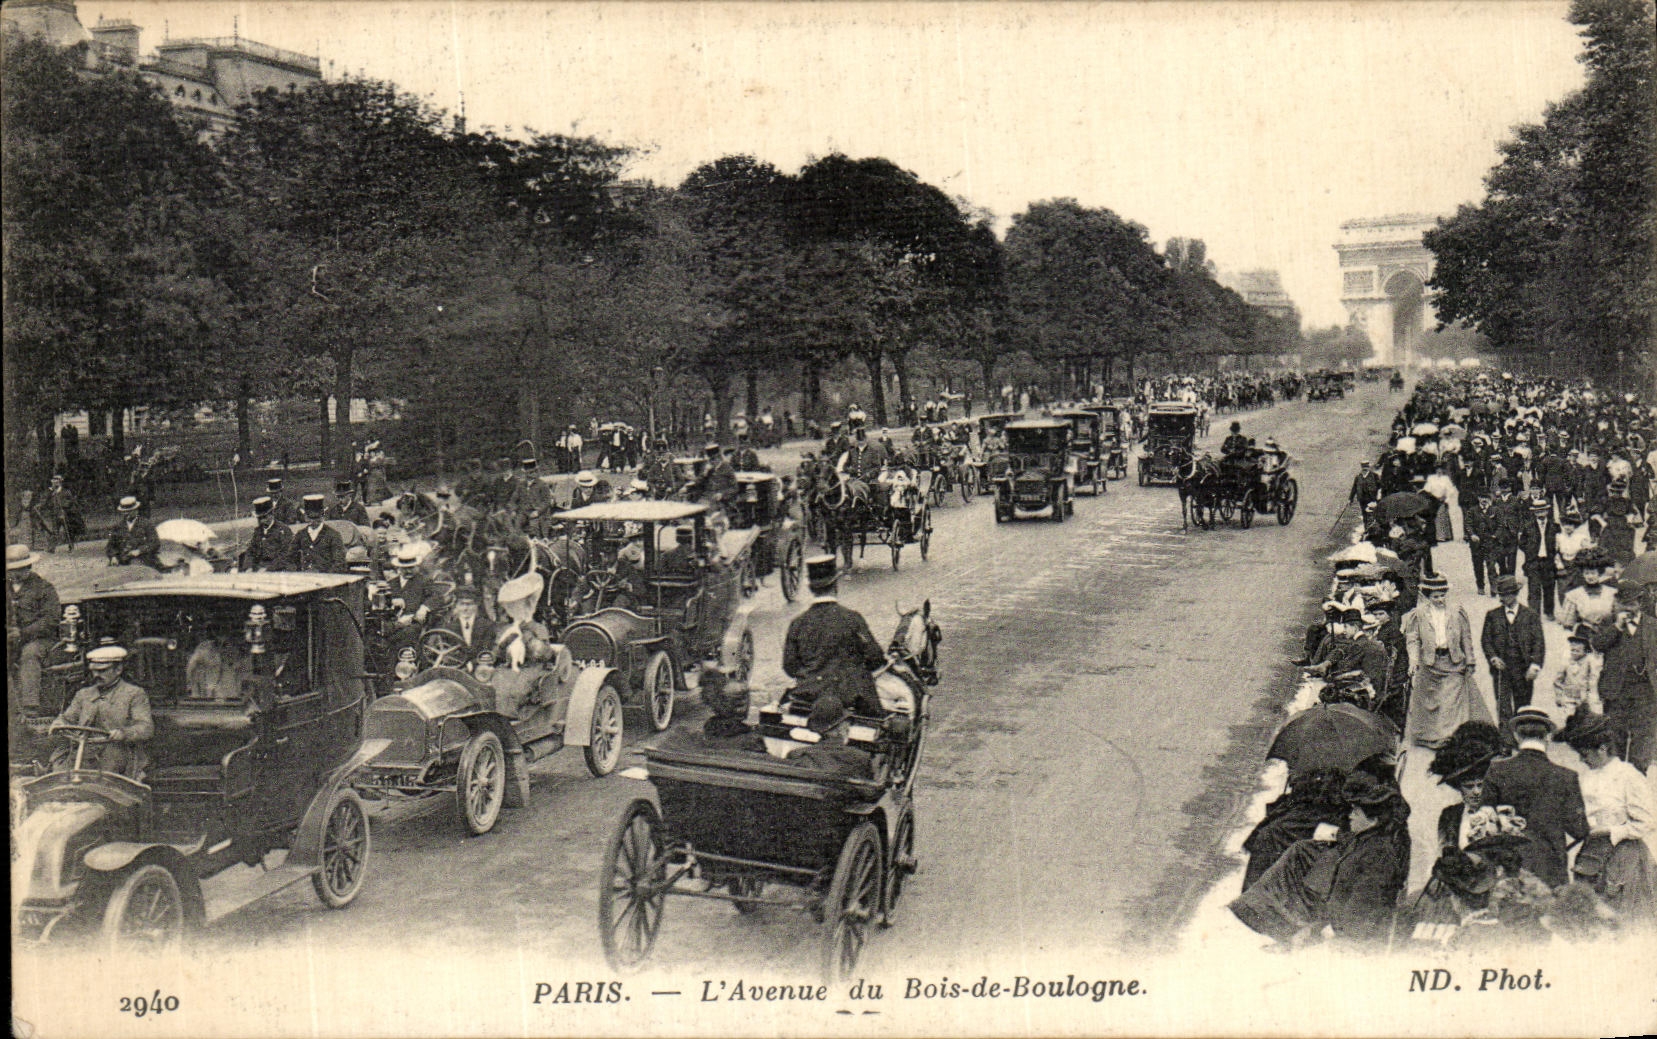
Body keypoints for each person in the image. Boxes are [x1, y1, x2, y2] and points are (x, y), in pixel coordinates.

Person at [1228, 771, 1412, 947]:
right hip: (1338, 905)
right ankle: (1267, 915)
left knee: (1305, 870)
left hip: (1348, 929)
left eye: (1356, 812)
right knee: (1300, 853)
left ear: (1373, 820)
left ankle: (1282, 927)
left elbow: (1359, 909)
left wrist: (1322, 930)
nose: (1350, 816)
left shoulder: (1380, 854)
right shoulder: (1372, 837)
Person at [1557, 712, 1656, 924]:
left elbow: (1647, 821)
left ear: (1602, 749)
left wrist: (1611, 831)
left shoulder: (1628, 775)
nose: (1582, 760)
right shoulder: (1585, 777)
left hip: (1624, 857)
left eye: (1585, 754)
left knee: (1624, 919)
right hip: (1591, 854)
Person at [1481, 706, 1589, 889]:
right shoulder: (1566, 776)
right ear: (1547, 737)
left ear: (1516, 736)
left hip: (1507, 868)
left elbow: (1484, 821)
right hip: (1550, 869)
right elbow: (1579, 830)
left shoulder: (1496, 770)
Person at [782, 555, 886, 718]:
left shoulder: (798, 623)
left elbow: (790, 667)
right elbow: (876, 658)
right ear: (836, 585)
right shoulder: (852, 618)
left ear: (810, 588)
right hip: (853, 698)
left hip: (808, 698)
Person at [1402, 572, 1493, 748]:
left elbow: (1466, 637)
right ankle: (1431, 737)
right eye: (1435, 596)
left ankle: (1450, 738)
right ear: (1427, 596)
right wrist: (1413, 660)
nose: (1440, 599)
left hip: (1453, 661)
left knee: (1451, 702)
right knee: (1432, 702)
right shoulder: (1418, 614)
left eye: (1442, 595)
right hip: (1430, 663)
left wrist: (1470, 659)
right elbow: (1413, 639)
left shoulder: (1456, 611)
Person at [51, 644, 152, 779]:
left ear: (118, 669)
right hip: (83, 749)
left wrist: (123, 733)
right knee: (58, 774)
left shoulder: (134, 694)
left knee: (107, 777)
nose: (96, 675)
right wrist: (58, 724)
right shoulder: (83, 694)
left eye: (103, 670)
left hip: (117, 751)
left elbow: (145, 727)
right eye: (94, 671)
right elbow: (68, 718)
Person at [1597, 586, 1655, 771]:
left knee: (1643, 740)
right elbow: (1597, 644)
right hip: (1616, 690)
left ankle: (1638, 779)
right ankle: (1616, 781)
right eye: (1623, 604)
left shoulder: (1653, 625)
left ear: (1639, 603)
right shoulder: (1609, 622)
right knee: (1615, 739)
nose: (1627, 608)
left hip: (1645, 690)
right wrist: (1617, 627)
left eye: (1631, 603)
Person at [1480, 574, 1545, 726]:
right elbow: (1486, 640)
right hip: (1502, 668)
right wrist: (1493, 658)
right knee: (1503, 705)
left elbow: (1539, 643)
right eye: (1501, 595)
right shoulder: (1492, 615)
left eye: (1507, 595)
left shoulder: (1531, 616)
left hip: (1524, 668)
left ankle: (1521, 735)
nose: (1503, 599)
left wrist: (1535, 666)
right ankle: (1506, 743)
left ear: (1515, 594)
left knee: (1523, 706)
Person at [7, 544, 60, 714]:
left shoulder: (44, 588)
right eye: (11, 570)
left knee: (30, 654)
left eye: (19, 569)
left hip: (39, 640)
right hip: (11, 637)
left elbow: (51, 620)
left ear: (28, 567)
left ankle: (30, 705)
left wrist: (23, 633)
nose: (14, 574)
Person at [1517, 498, 1560, 620]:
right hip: (1533, 561)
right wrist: (1530, 551)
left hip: (1549, 561)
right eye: (1537, 511)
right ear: (1534, 513)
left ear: (1547, 512)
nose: (1540, 513)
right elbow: (1522, 543)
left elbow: (1559, 542)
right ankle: (1534, 614)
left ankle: (1549, 612)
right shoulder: (1528, 526)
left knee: (1549, 587)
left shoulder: (1554, 526)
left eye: (1542, 511)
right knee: (1534, 588)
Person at [1557, 548, 1618, 629]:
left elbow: (1617, 620)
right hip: (1584, 635)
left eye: (1593, 573)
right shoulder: (1574, 595)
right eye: (1587, 573)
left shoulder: (1612, 593)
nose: (1590, 576)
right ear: (1583, 574)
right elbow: (1568, 624)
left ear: (1599, 573)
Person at [289, 495, 348, 573]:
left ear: (322, 516)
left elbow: (339, 563)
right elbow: (290, 556)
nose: (313, 521)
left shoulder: (333, 535)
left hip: (326, 578)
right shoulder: (301, 534)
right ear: (306, 517)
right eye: (310, 518)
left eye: (316, 518)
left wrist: (325, 575)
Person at [105, 496, 161, 569]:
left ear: (136, 510)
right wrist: (113, 556)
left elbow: (155, 543)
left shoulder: (146, 524)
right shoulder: (118, 526)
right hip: (122, 560)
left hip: (143, 558)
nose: (126, 514)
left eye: (129, 511)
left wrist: (139, 551)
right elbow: (110, 546)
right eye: (124, 511)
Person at [1461, 487, 1498, 595]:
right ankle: (1480, 586)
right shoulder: (1472, 510)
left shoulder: (1494, 510)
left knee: (1491, 565)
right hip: (1476, 543)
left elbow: (1500, 524)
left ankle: (1493, 586)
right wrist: (1472, 534)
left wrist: (1495, 535)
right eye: (1482, 497)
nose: (1484, 500)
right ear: (1478, 498)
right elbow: (1468, 524)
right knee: (1478, 565)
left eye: (1486, 497)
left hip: (1490, 542)